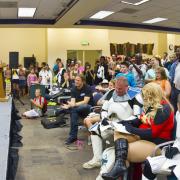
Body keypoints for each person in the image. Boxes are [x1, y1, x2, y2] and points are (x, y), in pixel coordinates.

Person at [102, 82, 174, 180]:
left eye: (145, 96)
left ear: (152, 95)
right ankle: (120, 167)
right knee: (118, 134)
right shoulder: (155, 105)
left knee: (122, 153)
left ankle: (119, 169)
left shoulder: (164, 109)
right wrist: (123, 123)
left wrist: (131, 129)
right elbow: (140, 119)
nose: (144, 99)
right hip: (145, 137)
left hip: (157, 144)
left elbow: (152, 133)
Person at [83, 77, 143, 169]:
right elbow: (104, 109)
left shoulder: (135, 95)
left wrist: (122, 123)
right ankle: (97, 159)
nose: (117, 91)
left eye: (120, 89)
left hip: (126, 127)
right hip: (110, 123)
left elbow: (137, 116)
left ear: (127, 87)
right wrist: (104, 118)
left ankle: (115, 162)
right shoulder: (112, 93)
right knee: (94, 130)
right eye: (116, 88)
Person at [143, 94, 180, 180]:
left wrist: (177, 148)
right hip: (176, 153)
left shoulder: (165, 110)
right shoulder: (178, 113)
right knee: (149, 165)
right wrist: (173, 148)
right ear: (177, 104)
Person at [62, 74, 94, 145]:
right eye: (75, 80)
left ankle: (72, 136)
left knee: (81, 107)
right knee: (74, 111)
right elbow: (73, 102)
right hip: (78, 109)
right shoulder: (73, 89)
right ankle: (73, 136)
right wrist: (70, 105)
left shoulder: (87, 88)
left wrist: (72, 105)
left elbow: (85, 102)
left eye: (78, 80)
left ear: (82, 81)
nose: (76, 81)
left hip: (88, 108)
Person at [170, 48, 180, 113]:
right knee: (174, 107)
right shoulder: (174, 64)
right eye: (177, 51)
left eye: (179, 51)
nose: (177, 52)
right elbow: (171, 77)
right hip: (175, 88)